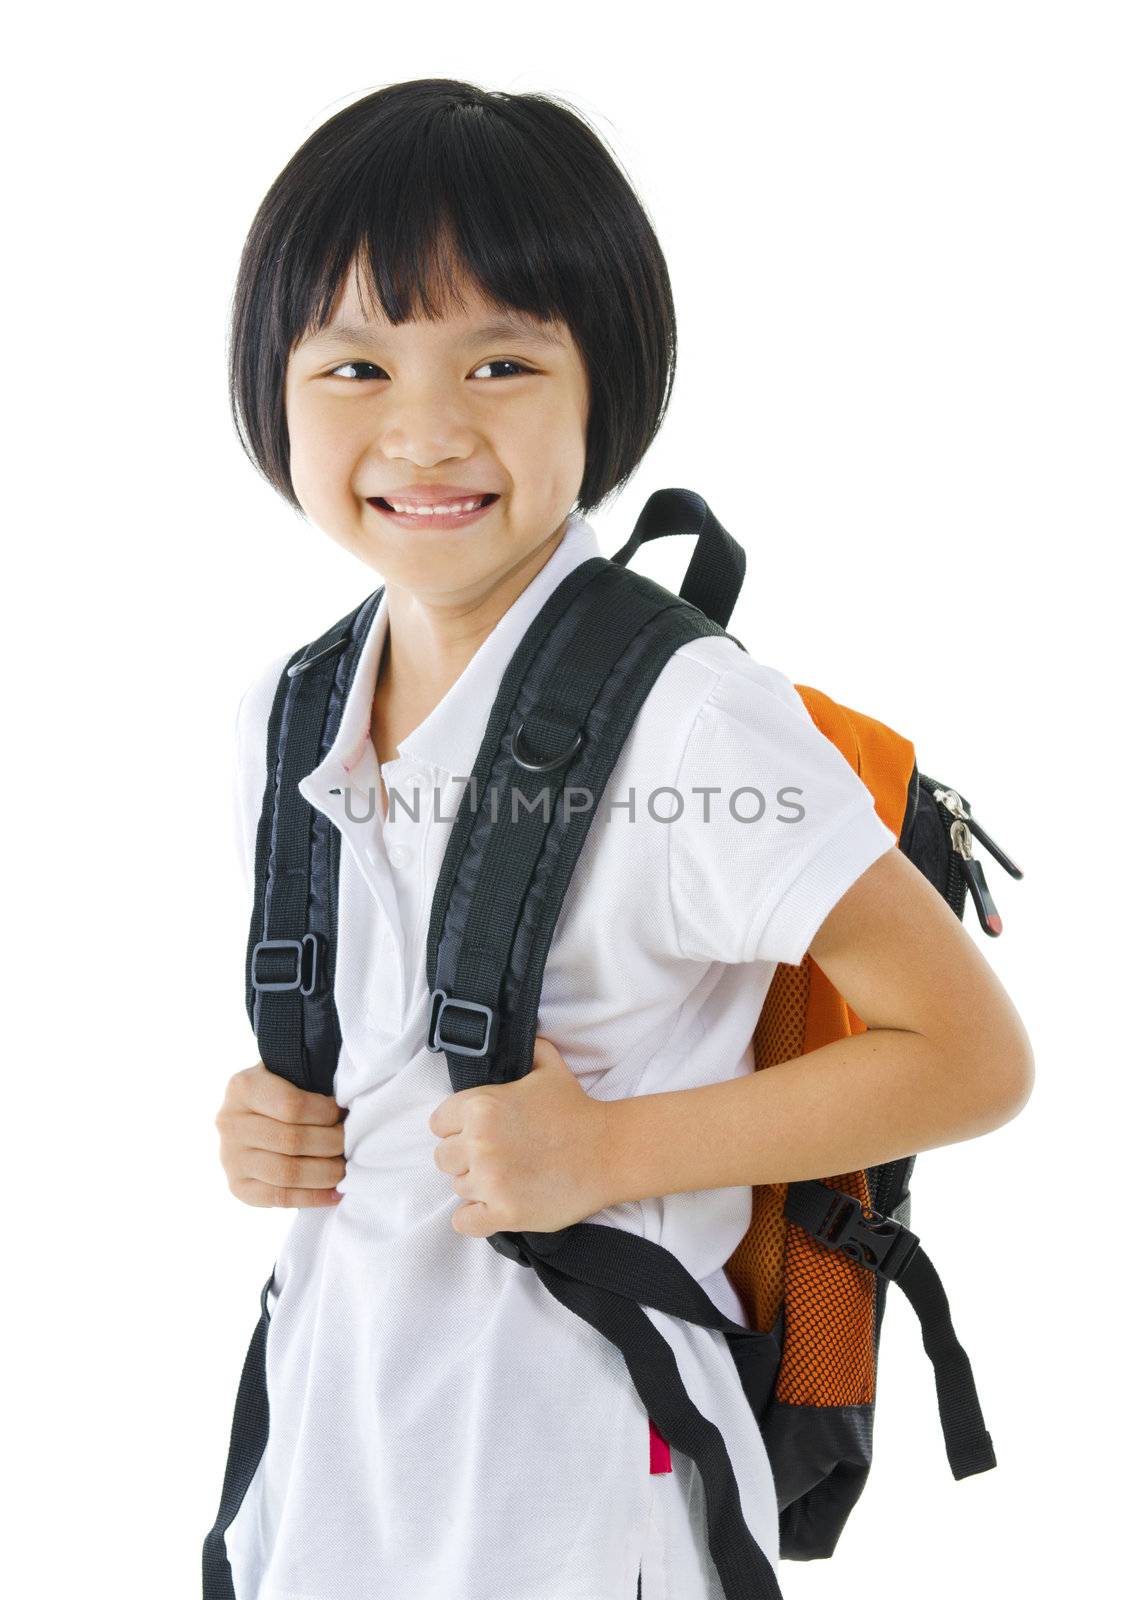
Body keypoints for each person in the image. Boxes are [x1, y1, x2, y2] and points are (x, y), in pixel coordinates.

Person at [211, 78, 1034, 1600]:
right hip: (328, 1470)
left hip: (586, 1489)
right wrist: (278, 1116)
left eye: (502, 359)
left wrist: (607, 1152)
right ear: (272, 391)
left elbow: (972, 1055)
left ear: (610, 389)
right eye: (352, 365)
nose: (424, 428)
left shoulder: (689, 722)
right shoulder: (300, 700)